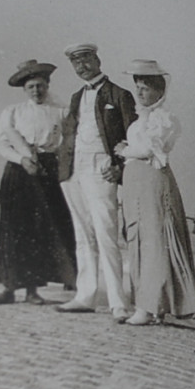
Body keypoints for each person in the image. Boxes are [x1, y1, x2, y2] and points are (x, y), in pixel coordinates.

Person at [114, 59, 195, 325]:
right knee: (136, 238)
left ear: (159, 91)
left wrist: (123, 150)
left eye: (146, 88)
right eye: (138, 87)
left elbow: (147, 150)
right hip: (134, 180)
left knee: (154, 240)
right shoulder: (141, 120)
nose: (140, 93)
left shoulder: (165, 119)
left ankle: (150, 306)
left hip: (152, 180)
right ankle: (148, 305)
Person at [55, 43, 137, 320]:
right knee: (83, 236)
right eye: (76, 63)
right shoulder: (76, 96)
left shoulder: (119, 95)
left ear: (97, 59)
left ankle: (118, 303)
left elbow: (133, 136)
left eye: (86, 60)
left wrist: (120, 167)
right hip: (73, 170)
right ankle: (85, 295)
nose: (82, 66)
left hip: (101, 168)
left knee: (106, 234)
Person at [0, 60, 76, 305]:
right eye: (31, 87)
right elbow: (2, 144)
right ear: (24, 89)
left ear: (47, 85)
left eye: (40, 85)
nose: (36, 91)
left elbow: (69, 142)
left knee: (38, 230)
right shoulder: (13, 112)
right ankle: (9, 288)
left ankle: (32, 290)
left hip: (47, 171)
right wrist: (21, 158)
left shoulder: (60, 111)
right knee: (13, 229)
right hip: (18, 171)